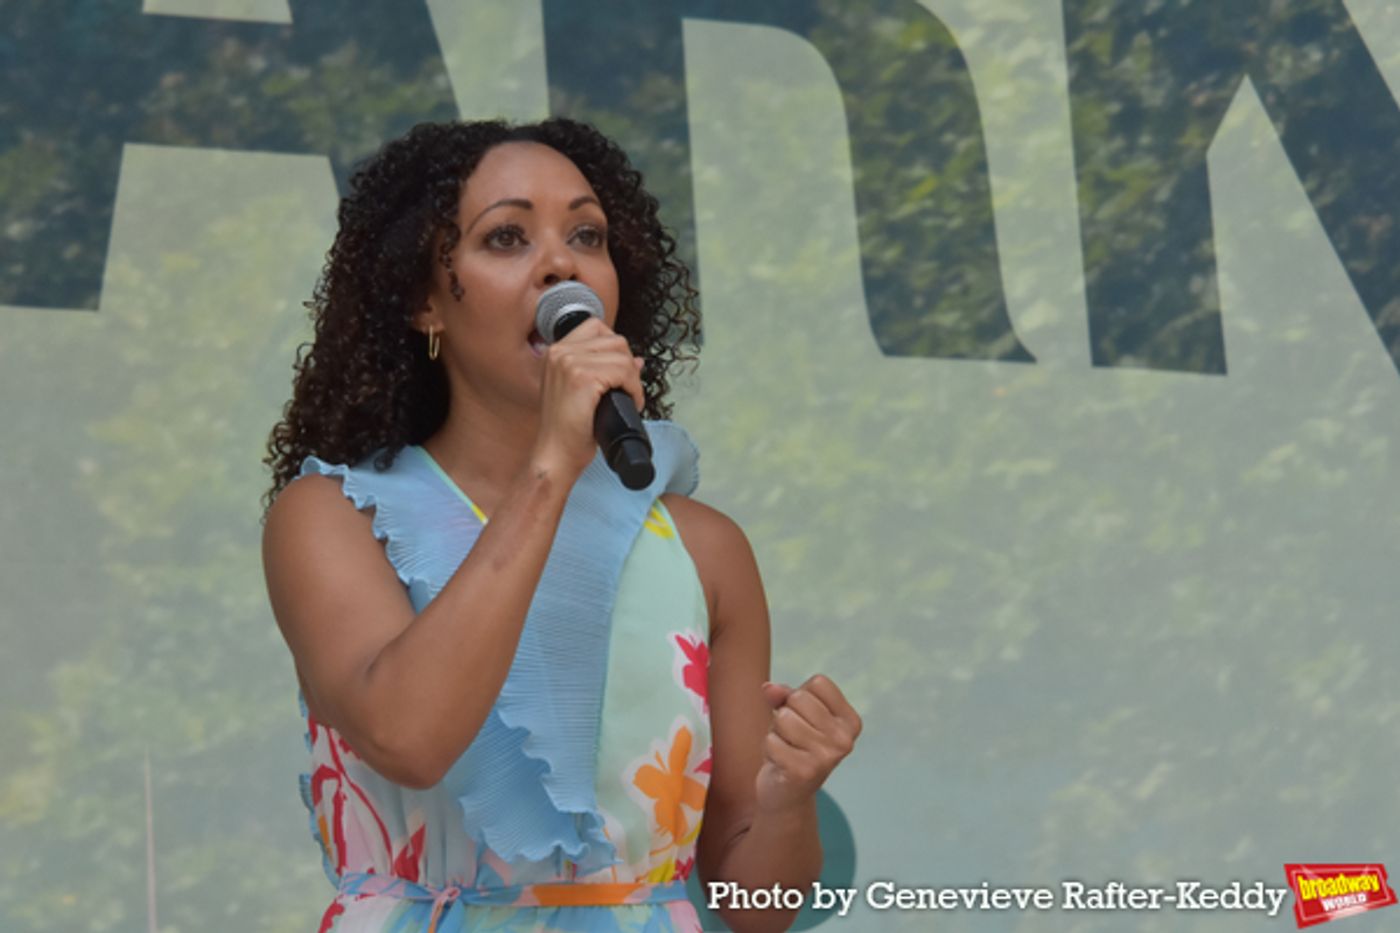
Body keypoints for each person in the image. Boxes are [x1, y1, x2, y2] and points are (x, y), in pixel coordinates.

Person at [261, 118, 861, 933]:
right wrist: (551, 463)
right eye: (505, 237)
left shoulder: (704, 549)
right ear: (421, 299)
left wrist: (788, 802)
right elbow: (408, 734)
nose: (560, 263)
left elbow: (756, 909)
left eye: (587, 234)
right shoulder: (335, 516)